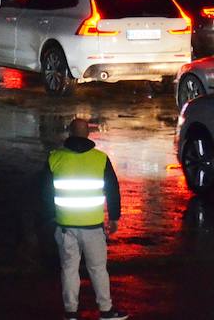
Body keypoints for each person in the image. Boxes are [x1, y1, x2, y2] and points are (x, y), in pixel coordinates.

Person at [47, 118, 126, 320]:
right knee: (98, 269)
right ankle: (106, 311)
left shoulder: (54, 158)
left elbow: (44, 192)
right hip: (93, 227)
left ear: (69, 133)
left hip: (65, 226)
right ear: (88, 133)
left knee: (69, 270)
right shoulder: (100, 159)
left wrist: (50, 216)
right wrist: (114, 217)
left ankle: (71, 312)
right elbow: (112, 190)